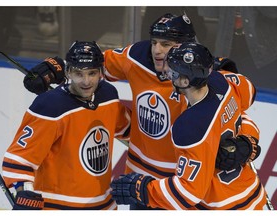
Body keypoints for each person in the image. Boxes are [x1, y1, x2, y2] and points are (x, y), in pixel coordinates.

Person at [22, 13, 261, 210]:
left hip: (181, 181)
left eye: (166, 45)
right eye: (155, 41)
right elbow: (91, 64)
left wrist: (247, 142)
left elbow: (236, 116)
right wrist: (57, 67)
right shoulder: (137, 56)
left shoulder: (208, 75)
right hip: (141, 177)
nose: (157, 50)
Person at [110, 42, 268, 210]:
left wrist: (144, 190)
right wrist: (246, 140)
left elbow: (189, 192)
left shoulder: (189, 128)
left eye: (172, 71)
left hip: (220, 206)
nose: (168, 74)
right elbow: (249, 92)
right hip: (253, 195)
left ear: (185, 81)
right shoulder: (223, 82)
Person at [2, 41, 131, 210]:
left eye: (92, 73)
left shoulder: (108, 95)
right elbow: (19, 159)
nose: (86, 81)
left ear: (101, 72)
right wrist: (24, 193)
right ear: (68, 71)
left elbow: (130, 131)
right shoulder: (49, 106)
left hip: (104, 205)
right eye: (79, 73)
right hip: (58, 206)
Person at [197, 7, 277, 90]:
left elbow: (273, 12)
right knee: (228, 92)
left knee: (263, 93)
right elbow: (208, 12)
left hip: (263, 51)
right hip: (227, 45)